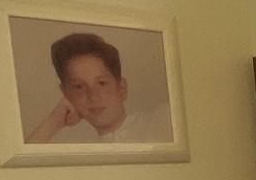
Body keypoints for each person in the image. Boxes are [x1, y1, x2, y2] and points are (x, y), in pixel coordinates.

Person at [28, 31, 166, 143]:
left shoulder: (161, 122)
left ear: (122, 88)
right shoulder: (77, 145)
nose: (93, 96)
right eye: (79, 87)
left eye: (101, 83)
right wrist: (53, 122)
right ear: (66, 94)